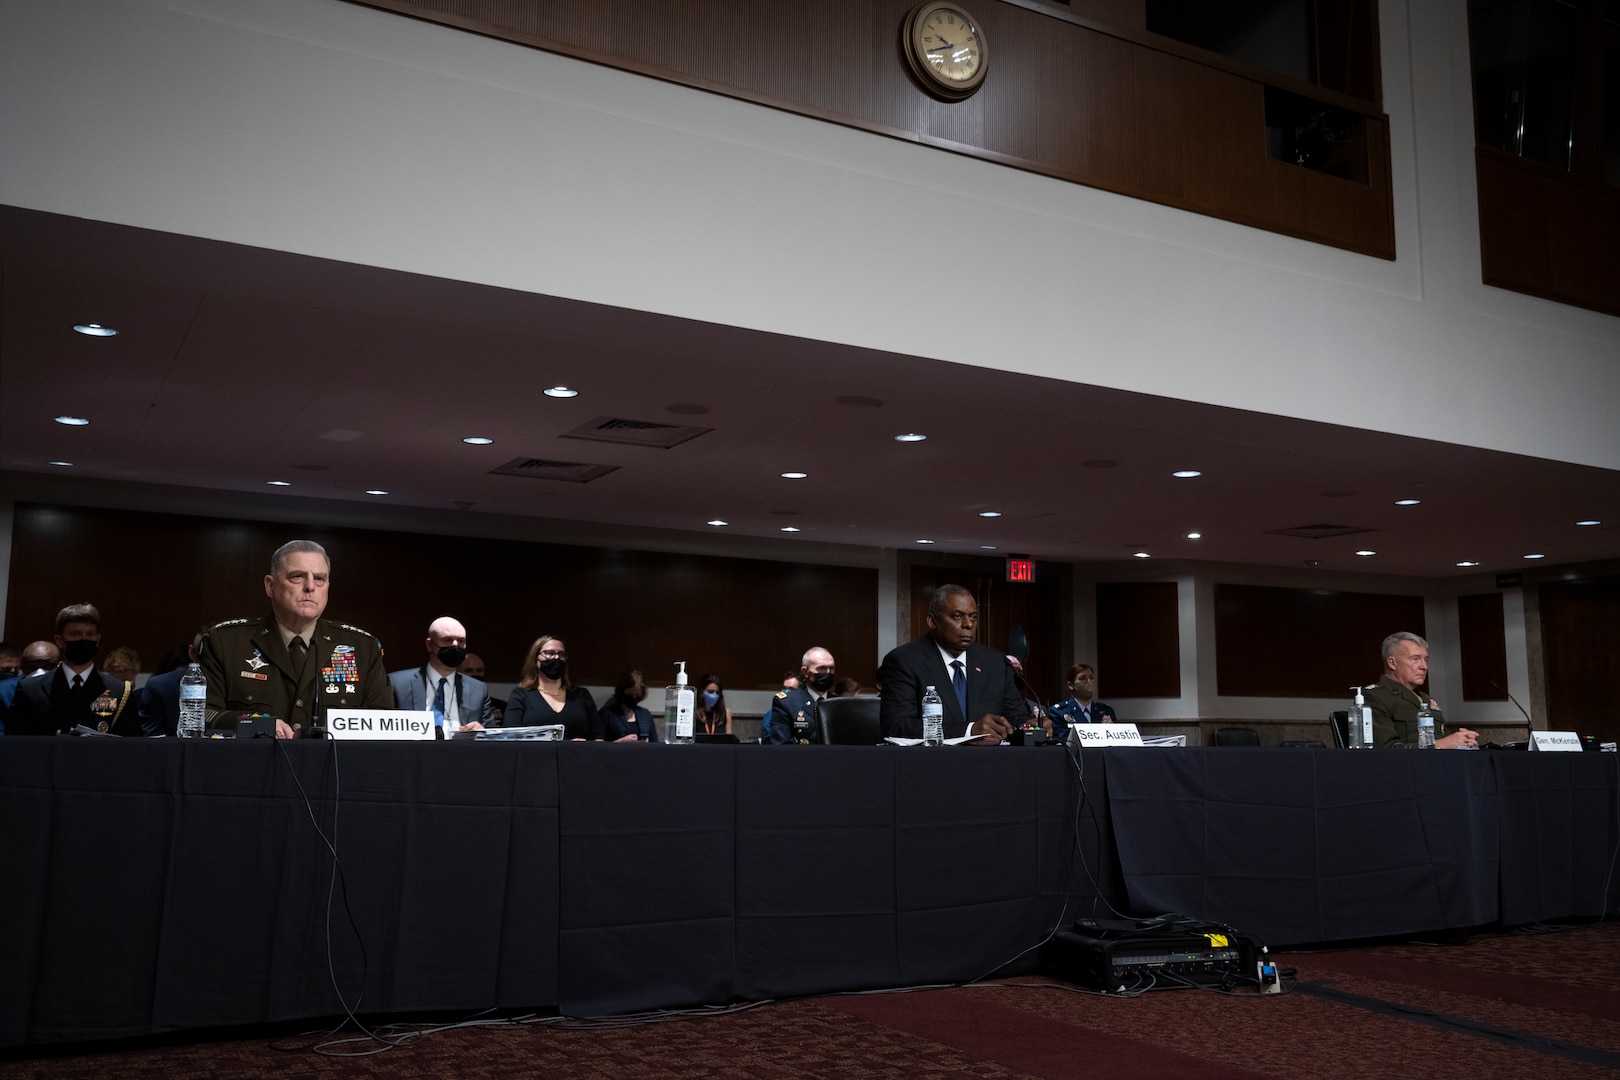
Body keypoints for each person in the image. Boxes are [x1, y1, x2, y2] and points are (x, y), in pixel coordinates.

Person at [199, 540, 390, 739]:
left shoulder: (361, 647)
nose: (310, 587)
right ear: (270, 586)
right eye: (297, 577)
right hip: (252, 765)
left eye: (319, 579)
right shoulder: (226, 642)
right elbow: (201, 715)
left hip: (333, 768)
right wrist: (256, 724)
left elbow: (383, 722)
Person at [878, 584, 1036, 743]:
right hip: (932, 764)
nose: (968, 624)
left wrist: (1031, 727)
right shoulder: (904, 661)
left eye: (973, 617)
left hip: (991, 763)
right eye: (957, 616)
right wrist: (969, 731)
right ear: (932, 621)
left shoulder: (996, 663)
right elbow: (896, 726)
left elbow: (1017, 717)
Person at [8, 604, 139, 736]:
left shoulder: (119, 691)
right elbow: (16, 744)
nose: (83, 639)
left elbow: (129, 745)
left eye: (90, 634)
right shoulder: (31, 689)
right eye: (75, 634)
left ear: (98, 640)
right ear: (59, 640)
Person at [1365, 632, 1478, 749]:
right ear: (1392, 663)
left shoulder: (1425, 699)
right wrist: (1439, 745)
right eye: (1415, 659)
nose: (1424, 666)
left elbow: (1442, 739)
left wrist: (1462, 741)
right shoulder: (1374, 697)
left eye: (1426, 659)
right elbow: (1385, 749)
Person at [388, 616, 493, 738]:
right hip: (415, 752)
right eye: (447, 640)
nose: (455, 646)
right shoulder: (398, 683)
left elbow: (493, 736)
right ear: (429, 644)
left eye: (460, 641)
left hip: (463, 752)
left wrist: (481, 732)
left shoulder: (478, 690)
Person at [504, 634, 595, 739]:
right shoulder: (521, 694)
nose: (556, 658)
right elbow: (511, 737)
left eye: (561, 654)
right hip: (535, 754)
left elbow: (598, 737)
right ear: (535, 660)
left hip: (577, 754)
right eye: (549, 653)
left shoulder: (581, 695)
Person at [138, 630, 206, 737]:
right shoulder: (160, 687)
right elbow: (155, 745)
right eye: (207, 653)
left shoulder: (239, 687)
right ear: (191, 652)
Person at [765, 647, 836, 744]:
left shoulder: (838, 703)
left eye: (831, 668)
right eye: (822, 668)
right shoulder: (787, 703)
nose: (828, 673)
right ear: (805, 672)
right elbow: (780, 745)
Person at [0, 641, 56, 735]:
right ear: (24, 666)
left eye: (48, 666)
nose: (39, 672)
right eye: (32, 666)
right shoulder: (4, 690)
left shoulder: (69, 686)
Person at [594, 669, 659, 742]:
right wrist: (621, 742)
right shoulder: (606, 714)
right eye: (630, 695)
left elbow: (655, 743)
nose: (634, 698)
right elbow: (598, 747)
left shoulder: (645, 714)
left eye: (637, 695)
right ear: (622, 691)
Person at [1047, 663, 1117, 727]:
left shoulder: (1106, 711)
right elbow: (1063, 738)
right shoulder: (1060, 712)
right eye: (1082, 678)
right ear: (1071, 685)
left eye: (1091, 678)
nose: (1089, 681)